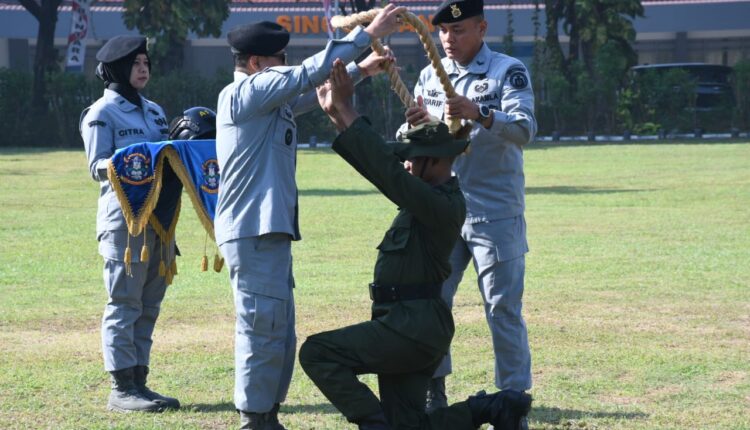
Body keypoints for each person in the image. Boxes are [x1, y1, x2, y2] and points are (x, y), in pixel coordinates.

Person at [298, 59, 532, 430]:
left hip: (411, 328)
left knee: (317, 352)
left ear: (436, 161)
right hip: (408, 325)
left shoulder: (440, 203)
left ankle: (374, 424)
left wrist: (347, 108)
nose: (405, 164)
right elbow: (382, 160)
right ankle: (491, 408)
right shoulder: (428, 189)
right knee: (409, 425)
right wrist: (335, 113)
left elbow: (386, 171)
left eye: (412, 159)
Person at [214, 7, 405, 429]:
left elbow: (311, 93)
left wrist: (361, 70)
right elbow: (306, 75)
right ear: (256, 63)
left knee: (278, 330)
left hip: (266, 231)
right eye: (278, 60)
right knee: (262, 328)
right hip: (253, 230)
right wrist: (366, 34)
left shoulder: (265, 99)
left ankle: (266, 414)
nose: (285, 66)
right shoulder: (246, 91)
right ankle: (255, 419)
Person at [398, 0, 537, 422]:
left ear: (482, 28)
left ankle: (513, 399)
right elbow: (413, 135)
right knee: (432, 302)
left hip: (494, 211)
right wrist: (413, 127)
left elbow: (525, 129)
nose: (448, 39)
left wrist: (480, 113)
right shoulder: (431, 74)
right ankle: (433, 390)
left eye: (457, 30)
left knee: (502, 307)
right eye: (443, 31)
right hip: (442, 209)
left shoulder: (507, 71)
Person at [80, 35, 179, 413]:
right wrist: (133, 160)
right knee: (124, 303)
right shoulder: (102, 112)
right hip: (124, 222)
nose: (143, 69)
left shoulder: (154, 111)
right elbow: (97, 166)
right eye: (135, 63)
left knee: (149, 303)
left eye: (145, 62)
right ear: (118, 68)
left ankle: (139, 382)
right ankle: (121, 388)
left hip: (159, 219)